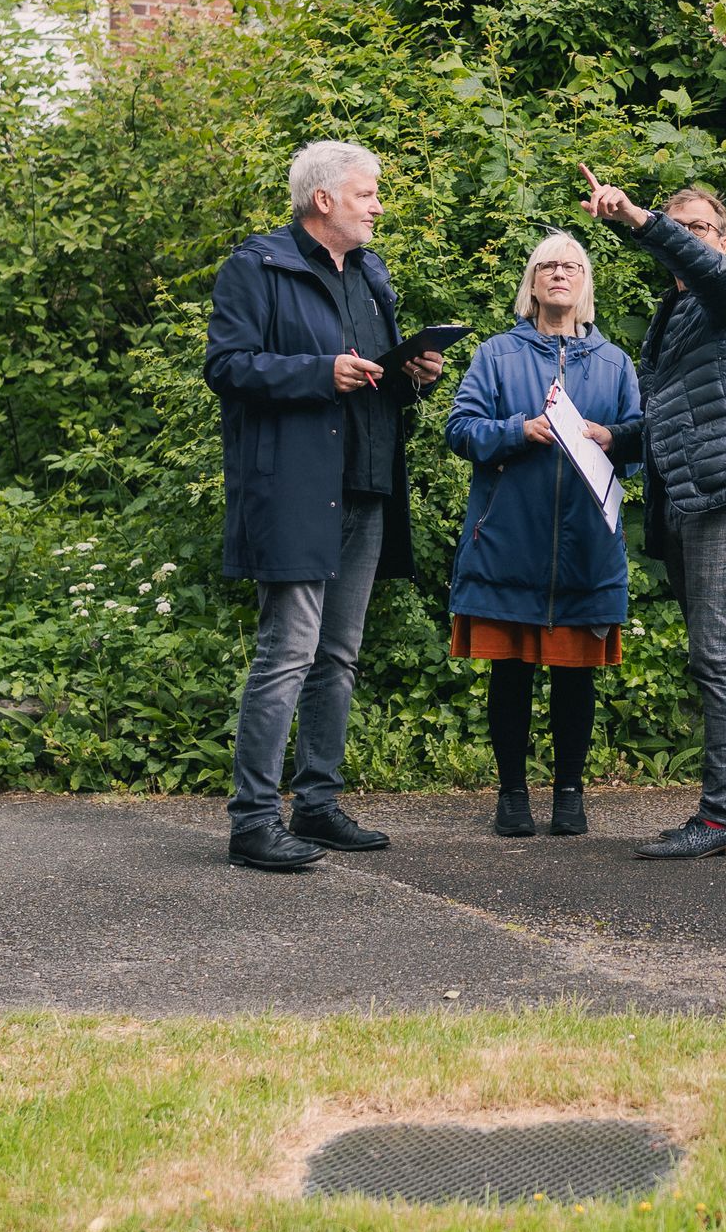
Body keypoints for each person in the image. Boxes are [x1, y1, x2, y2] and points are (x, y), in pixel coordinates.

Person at [204, 142, 449, 875]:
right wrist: (321, 372)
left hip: (366, 482)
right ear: (325, 201)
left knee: (337, 656)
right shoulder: (259, 267)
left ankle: (316, 804)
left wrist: (415, 375)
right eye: (368, 194)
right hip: (295, 487)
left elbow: (377, 383)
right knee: (289, 651)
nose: (378, 207)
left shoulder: (371, 273)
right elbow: (226, 366)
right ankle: (253, 822)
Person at [578, 173, 726, 861]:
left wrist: (639, 219)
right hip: (695, 489)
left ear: (723, 241)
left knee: (716, 652)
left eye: (700, 228)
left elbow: (698, 266)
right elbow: (677, 409)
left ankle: (723, 813)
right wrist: (618, 438)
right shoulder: (679, 315)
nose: (689, 238)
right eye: (680, 226)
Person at [447, 231, 641, 840]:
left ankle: (569, 793)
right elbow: (460, 430)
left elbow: (639, 440)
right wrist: (517, 429)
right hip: (509, 539)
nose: (560, 273)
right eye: (547, 266)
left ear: (585, 285)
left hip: (585, 543)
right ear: (532, 284)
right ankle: (510, 795)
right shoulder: (496, 355)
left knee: (574, 675)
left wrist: (608, 437)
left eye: (572, 266)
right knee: (510, 672)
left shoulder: (615, 364)